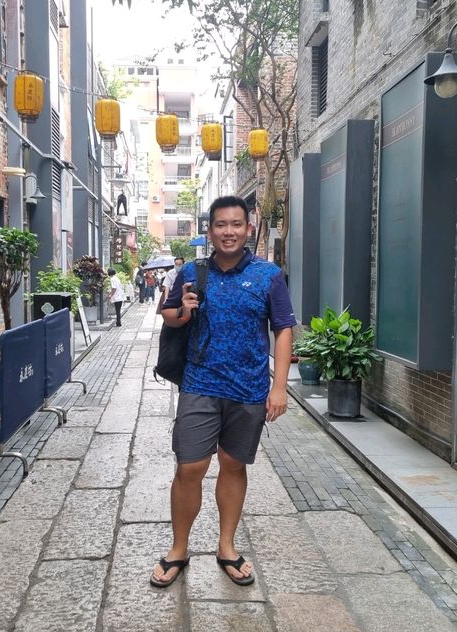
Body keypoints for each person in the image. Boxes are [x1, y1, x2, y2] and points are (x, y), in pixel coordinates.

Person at [151, 196, 296, 588]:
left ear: (248, 229)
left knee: (233, 466)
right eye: (220, 225)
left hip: (248, 389)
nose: (228, 232)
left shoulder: (269, 275)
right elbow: (168, 315)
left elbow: (283, 329)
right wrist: (183, 310)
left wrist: (279, 387)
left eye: (236, 224)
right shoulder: (193, 272)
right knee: (189, 467)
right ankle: (179, 548)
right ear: (210, 230)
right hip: (200, 383)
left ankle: (226, 546)